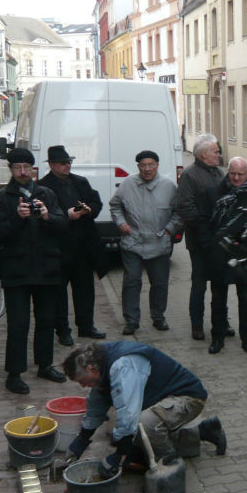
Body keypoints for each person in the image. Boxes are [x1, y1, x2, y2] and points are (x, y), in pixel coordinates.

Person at [62, 342, 227, 476]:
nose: (83, 385)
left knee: (143, 425)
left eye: (81, 380)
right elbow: (96, 404)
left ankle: (169, 463)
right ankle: (204, 431)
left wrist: (120, 455)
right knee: (118, 431)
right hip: (160, 398)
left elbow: (128, 414)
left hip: (187, 398)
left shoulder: (122, 366)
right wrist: (81, 440)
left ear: (91, 368)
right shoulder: (101, 366)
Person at [0, 147, 69, 394]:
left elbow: (62, 226)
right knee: (18, 324)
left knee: (46, 321)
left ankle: (45, 365)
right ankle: (14, 373)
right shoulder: (2, 198)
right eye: (17, 168)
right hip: (16, 270)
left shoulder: (47, 193)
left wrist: (47, 217)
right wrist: (17, 217)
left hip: (46, 268)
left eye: (27, 168)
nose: (23, 172)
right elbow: (0, 234)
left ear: (34, 169)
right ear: (11, 170)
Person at [37, 145, 107, 345]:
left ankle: (86, 326)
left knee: (85, 289)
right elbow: (45, 218)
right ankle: (63, 331)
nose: (67, 166)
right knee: (59, 294)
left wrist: (88, 209)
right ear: (51, 165)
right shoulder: (43, 187)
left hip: (82, 247)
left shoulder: (80, 182)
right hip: (58, 247)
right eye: (62, 163)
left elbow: (96, 202)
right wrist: (66, 216)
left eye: (68, 162)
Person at [110, 150, 181, 336]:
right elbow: (115, 205)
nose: (147, 169)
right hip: (133, 242)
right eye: (143, 165)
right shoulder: (128, 184)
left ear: (157, 166)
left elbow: (179, 212)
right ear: (138, 167)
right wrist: (121, 222)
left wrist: (169, 230)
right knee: (131, 282)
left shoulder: (168, 186)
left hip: (159, 243)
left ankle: (158, 317)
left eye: (151, 165)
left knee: (159, 283)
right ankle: (131, 321)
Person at [208, 157, 247, 354]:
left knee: (246, 298)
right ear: (228, 171)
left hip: (244, 254)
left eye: (241, 174)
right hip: (219, 253)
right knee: (218, 298)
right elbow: (206, 223)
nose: (237, 178)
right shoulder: (214, 192)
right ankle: (217, 337)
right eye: (233, 173)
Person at [174, 134, 225, 341]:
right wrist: (208, 225)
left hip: (219, 241)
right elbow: (185, 207)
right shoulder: (190, 175)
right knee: (199, 284)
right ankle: (197, 324)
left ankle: (221, 322)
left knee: (220, 284)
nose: (219, 154)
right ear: (204, 155)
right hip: (199, 242)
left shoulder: (219, 173)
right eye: (216, 151)